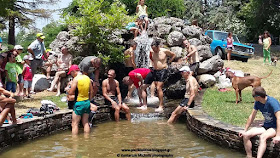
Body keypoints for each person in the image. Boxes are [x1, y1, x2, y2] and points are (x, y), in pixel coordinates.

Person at [239, 87, 280, 158]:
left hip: (275, 127)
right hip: (266, 125)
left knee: (262, 137)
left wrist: (278, 136)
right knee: (246, 135)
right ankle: (249, 156)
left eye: (253, 96)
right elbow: (252, 116)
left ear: (258, 97)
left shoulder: (272, 102)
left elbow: (279, 118)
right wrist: (245, 130)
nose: (253, 98)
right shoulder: (258, 103)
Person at [140, 39, 176, 112]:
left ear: (158, 46)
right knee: (143, 87)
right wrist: (151, 64)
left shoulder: (164, 51)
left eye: (155, 49)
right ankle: (144, 105)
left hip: (163, 70)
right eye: (152, 49)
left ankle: (161, 106)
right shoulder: (151, 51)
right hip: (154, 70)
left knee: (158, 87)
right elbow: (151, 58)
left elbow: (173, 55)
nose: (154, 50)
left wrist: (168, 62)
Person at [68, 65, 93, 135]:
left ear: (74, 72)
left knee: (75, 124)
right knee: (85, 122)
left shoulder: (76, 79)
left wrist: (68, 88)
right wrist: (89, 100)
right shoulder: (87, 78)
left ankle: (74, 142)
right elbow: (92, 91)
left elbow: (71, 92)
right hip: (87, 102)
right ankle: (86, 139)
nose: (71, 75)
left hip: (79, 102)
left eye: (71, 73)